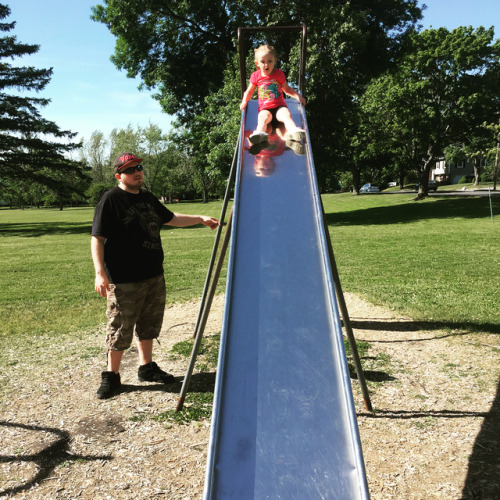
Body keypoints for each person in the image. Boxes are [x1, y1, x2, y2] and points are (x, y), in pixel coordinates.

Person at [91, 152, 219, 399]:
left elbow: (170, 218)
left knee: (149, 324)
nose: (137, 172)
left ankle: (146, 367)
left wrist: (200, 219)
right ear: (119, 175)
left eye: (139, 167)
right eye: (130, 170)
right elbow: (97, 238)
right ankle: (112, 376)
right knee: (120, 328)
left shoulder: (148, 198)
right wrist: (99, 273)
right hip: (124, 279)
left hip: (153, 275)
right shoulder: (111, 200)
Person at [240, 44, 306, 146]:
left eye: (269, 61)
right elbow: (248, 91)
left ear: (275, 61)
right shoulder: (255, 76)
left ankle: (293, 131)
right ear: (257, 63)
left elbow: (287, 89)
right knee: (263, 118)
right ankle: (260, 133)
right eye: (263, 62)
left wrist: (298, 96)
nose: (266, 65)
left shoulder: (278, 74)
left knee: (286, 115)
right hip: (265, 109)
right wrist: (244, 101)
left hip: (279, 106)